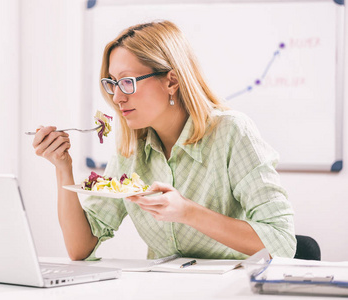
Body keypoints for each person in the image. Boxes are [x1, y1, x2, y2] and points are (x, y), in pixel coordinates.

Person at [32, 20, 296, 261]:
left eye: (127, 82)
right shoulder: (131, 149)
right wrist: (62, 166)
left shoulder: (232, 132)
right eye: (113, 83)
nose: (117, 97)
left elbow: (282, 243)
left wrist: (188, 212)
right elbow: (81, 248)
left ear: (171, 81)